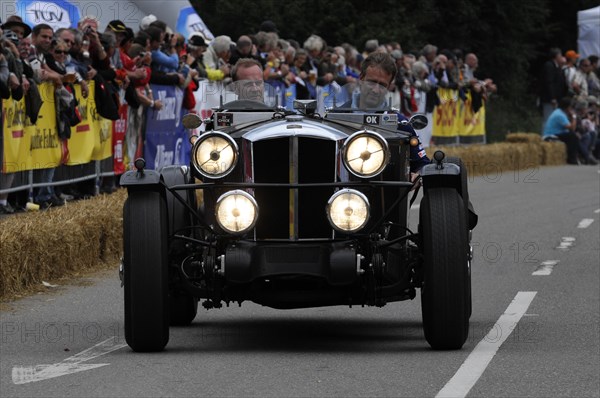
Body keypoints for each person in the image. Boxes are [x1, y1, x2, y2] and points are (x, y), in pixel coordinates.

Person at [343, 52, 430, 175]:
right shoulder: (336, 116)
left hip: (386, 192)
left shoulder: (399, 123)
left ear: (389, 86)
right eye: (372, 82)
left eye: (382, 85)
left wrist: (416, 175)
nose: (376, 90)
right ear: (361, 78)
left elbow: (423, 164)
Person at [543, 96, 580, 165]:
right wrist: (574, 116)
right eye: (570, 107)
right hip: (551, 136)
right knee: (572, 136)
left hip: (557, 134)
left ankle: (580, 157)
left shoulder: (560, 112)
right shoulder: (559, 114)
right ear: (567, 107)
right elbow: (572, 128)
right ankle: (572, 159)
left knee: (574, 135)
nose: (571, 108)